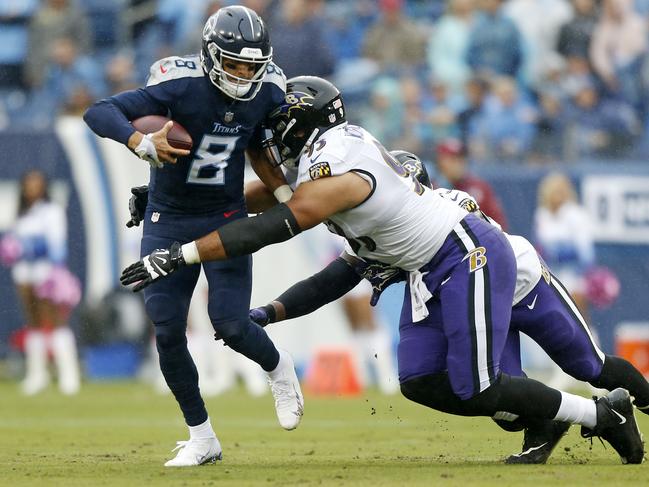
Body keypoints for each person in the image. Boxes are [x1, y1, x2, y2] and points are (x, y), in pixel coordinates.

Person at [121, 76, 644, 464]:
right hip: (435, 271)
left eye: (282, 125)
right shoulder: (328, 158)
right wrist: (178, 199)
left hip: (468, 256)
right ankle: (555, 418)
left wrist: (183, 251)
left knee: (491, 384)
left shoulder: (338, 164)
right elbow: (277, 215)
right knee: (420, 379)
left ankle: (603, 414)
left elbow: (283, 219)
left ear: (305, 122)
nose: (274, 137)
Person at [242, 149, 649, 464]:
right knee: (497, 398)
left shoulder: (434, 213)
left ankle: (638, 401)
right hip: (472, 292)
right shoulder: (389, 227)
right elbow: (336, 277)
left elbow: (470, 251)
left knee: (588, 366)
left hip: (518, 282)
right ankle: (548, 425)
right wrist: (272, 311)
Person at [83, 5, 303, 467]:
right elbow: (100, 111)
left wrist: (285, 190)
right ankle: (202, 436)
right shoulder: (178, 83)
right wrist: (140, 142)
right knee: (166, 327)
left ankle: (279, 367)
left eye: (251, 66)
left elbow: (262, 144)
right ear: (209, 54)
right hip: (170, 215)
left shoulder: (270, 89)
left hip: (226, 213)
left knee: (231, 324)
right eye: (234, 64)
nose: (243, 75)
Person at [0, 170, 81, 396]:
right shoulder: (21, 214)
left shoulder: (52, 211)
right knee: (33, 323)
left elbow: (56, 244)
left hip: (46, 272)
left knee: (55, 321)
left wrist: (31, 248)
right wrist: (11, 249)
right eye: (28, 184)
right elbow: (12, 244)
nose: (32, 188)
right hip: (24, 273)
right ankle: (37, 374)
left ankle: (68, 375)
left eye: (36, 184)